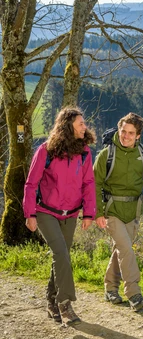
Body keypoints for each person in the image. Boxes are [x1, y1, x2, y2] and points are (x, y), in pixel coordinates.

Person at [23, 106, 96, 327]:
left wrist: (88, 213)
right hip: (46, 212)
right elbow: (31, 183)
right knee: (61, 254)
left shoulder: (84, 152)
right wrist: (30, 213)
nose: (85, 126)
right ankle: (65, 304)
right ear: (68, 126)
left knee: (61, 257)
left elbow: (88, 183)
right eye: (81, 123)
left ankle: (51, 302)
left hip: (71, 214)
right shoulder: (45, 151)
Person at [93, 112, 143, 311]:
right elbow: (93, 184)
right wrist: (98, 212)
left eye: (131, 133)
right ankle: (134, 294)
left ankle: (110, 288)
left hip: (133, 210)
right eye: (123, 131)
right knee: (126, 249)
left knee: (122, 250)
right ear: (119, 129)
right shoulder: (106, 154)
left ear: (138, 135)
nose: (125, 136)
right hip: (112, 210)